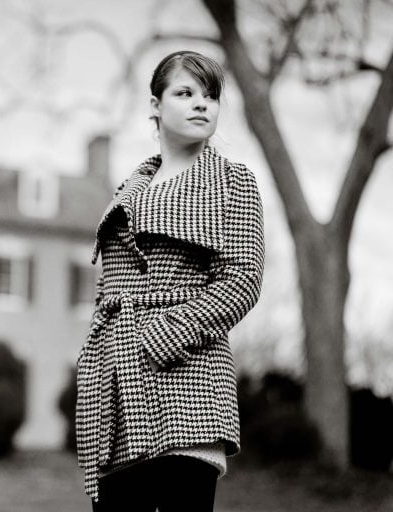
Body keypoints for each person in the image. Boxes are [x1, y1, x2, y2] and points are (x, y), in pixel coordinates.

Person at [76, 50, 265, 511]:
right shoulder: (128, 189)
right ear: (156, 105)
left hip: (189, 384)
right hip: (117, 389)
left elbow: (242, 280)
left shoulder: (232, 181)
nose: (202, 104)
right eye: (185, 92)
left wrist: (163, 333)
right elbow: (110, 287)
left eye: (211, 95)